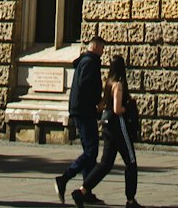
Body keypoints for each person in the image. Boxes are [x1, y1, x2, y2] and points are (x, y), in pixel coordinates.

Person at [72, 53, 139, 208]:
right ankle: (130, 200)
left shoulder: (109, 83)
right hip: (118, 126)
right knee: (131, 162)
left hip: (107, 126)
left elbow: (103, 105)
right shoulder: (119, 84)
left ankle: (82, 191)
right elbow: (116, 109)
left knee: (105, 164)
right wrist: (128, 108)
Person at [55, 34, 106, 205]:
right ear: (96, 46)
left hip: (80, 109)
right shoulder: (91, 62)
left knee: (90, 152)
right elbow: (86, 86)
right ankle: (64, 178)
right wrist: (97, 104)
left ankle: (87, 190)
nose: (103, 52)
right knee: (91, 151)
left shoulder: (84, 61)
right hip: (85, 111)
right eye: (102, 48)